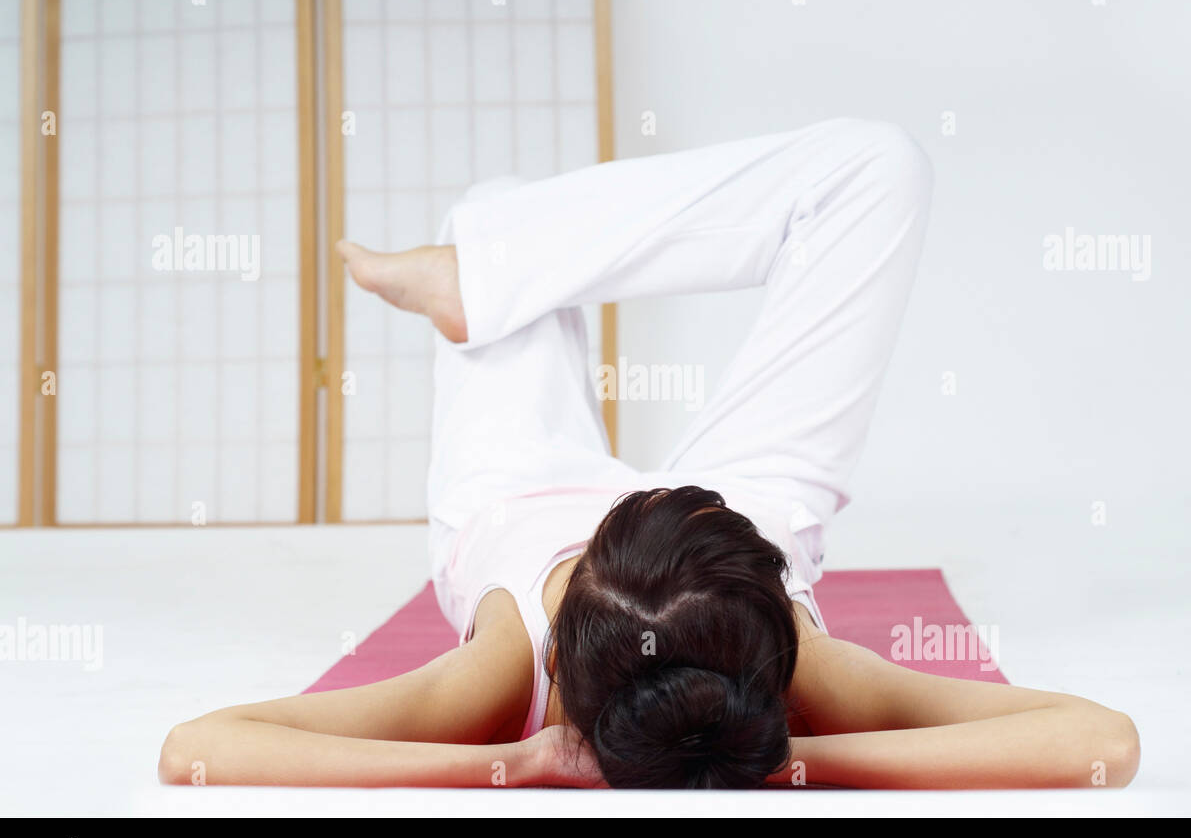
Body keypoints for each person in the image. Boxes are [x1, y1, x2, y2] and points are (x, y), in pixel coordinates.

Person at [158, 119, 1139, 789]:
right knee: (878, 166)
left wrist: (511, 761)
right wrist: (795, 755)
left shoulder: (497, 676)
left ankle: (492, 264)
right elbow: (1106, 741)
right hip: (724, 526)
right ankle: (495, 266)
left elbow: (196, 748)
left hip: (516, 488)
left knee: (496, 203)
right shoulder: (808, 672)